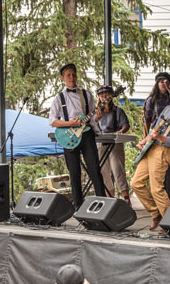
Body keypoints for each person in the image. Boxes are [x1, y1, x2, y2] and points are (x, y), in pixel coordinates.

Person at [131, 81, 170, 231]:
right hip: (151, 148)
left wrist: (159, 138)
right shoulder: (166, 109)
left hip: (163, 151)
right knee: (135, 183)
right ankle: (155, 213)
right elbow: (154, 130)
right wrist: (144, 141)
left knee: (156, 188)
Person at [50, 63, 106, 209]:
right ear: (63, 78)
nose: (72, 77)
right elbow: (52, 121)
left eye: (74, 74)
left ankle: (103, 203)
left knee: (95, 169)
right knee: (74, 172)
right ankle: (78, 207)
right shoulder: (59, 98)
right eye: (68, 75)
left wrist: (98, 119)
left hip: (87, 135)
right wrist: (69, 123)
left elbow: (92, 118)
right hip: (69, 137)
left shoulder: (86, 94)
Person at [95, 84, 131, 204]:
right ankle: (111, 201)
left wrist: (119, 132)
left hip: (115, 143)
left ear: (111, 96)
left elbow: (125, 125)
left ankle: (126, 200)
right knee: (104, 173)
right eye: (101, 94)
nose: (104, 96)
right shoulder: (96, 112)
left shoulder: (117, 111)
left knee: (118, 171)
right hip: (100, 143)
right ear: (98, 97)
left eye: (106, 94)